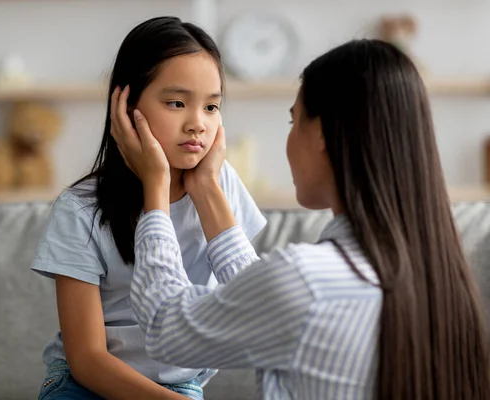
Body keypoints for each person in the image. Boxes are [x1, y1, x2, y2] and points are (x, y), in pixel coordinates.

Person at [113, 39, 490, 399]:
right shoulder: (436, 277)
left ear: (322, 133)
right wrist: (208, 188)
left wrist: (155, 189)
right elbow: (268, 301)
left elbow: (167, 328)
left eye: (294, 122)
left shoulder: (305, 279)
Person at [31, 16, 266, 400]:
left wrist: (206, 187)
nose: (197, 124)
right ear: (126, 105)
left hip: (180, 385)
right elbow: (87, 359)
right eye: (177, 103)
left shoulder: (223, 188)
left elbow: (257, 306)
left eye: (211, 107)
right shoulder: (80, 210)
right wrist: (155, 182)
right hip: (86, 384)